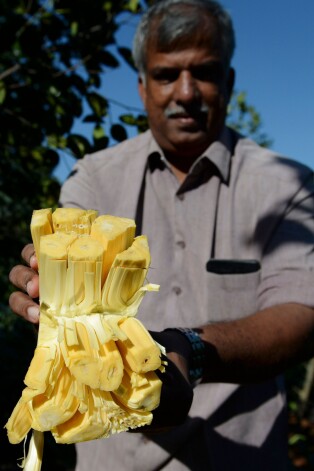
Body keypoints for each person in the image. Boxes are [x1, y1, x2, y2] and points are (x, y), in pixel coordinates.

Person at [8, 0, 314, 469]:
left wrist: (190, 348)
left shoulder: (286, 187)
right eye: (168, 75)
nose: (186, 92)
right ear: (142, 86)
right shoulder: (94, 180)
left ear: (229, 82)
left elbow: (303, 312)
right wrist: (48, 289)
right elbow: (67, 294)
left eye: (205, 73)